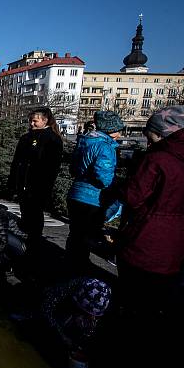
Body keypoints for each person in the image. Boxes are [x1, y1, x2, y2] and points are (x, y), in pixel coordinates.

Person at [116, 106, 184, 317]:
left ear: (163, 133)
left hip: (146, 235)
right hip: (179, 236)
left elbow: (133, 197)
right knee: (159, 301)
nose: (149, 142)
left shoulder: (157, 159)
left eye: (150, 136)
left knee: (132, 300)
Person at [65, 111, 123, 271]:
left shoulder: (85, 141)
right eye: (119, 129)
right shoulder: (105, 146)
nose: (120, 134)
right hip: (92, 197)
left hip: (76, 192)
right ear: (111, 129)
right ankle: (79, 269)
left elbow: (73, 168)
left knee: (76, 233)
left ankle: (71, 263)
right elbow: (103, 177)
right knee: (86, 236)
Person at [8, 108, 64, 251]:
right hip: (23, 183)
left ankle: (34, 244)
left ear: (44, 121)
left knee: (35, 216)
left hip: (38, 185)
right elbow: (17, 161)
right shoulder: (26, 138)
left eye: (35, 121)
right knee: (25, 213)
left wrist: (44, 186)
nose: (31, 123)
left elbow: (52, 167)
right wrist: (13, 181)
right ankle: (22, 241)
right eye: (30, 120)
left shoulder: (52, 139)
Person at [41, 277, 111, 355]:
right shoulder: (66, 289)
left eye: (95, 316)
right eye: (87, 314)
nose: (92, 318)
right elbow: (45, 310)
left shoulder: (101, 302)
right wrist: (62, 336)